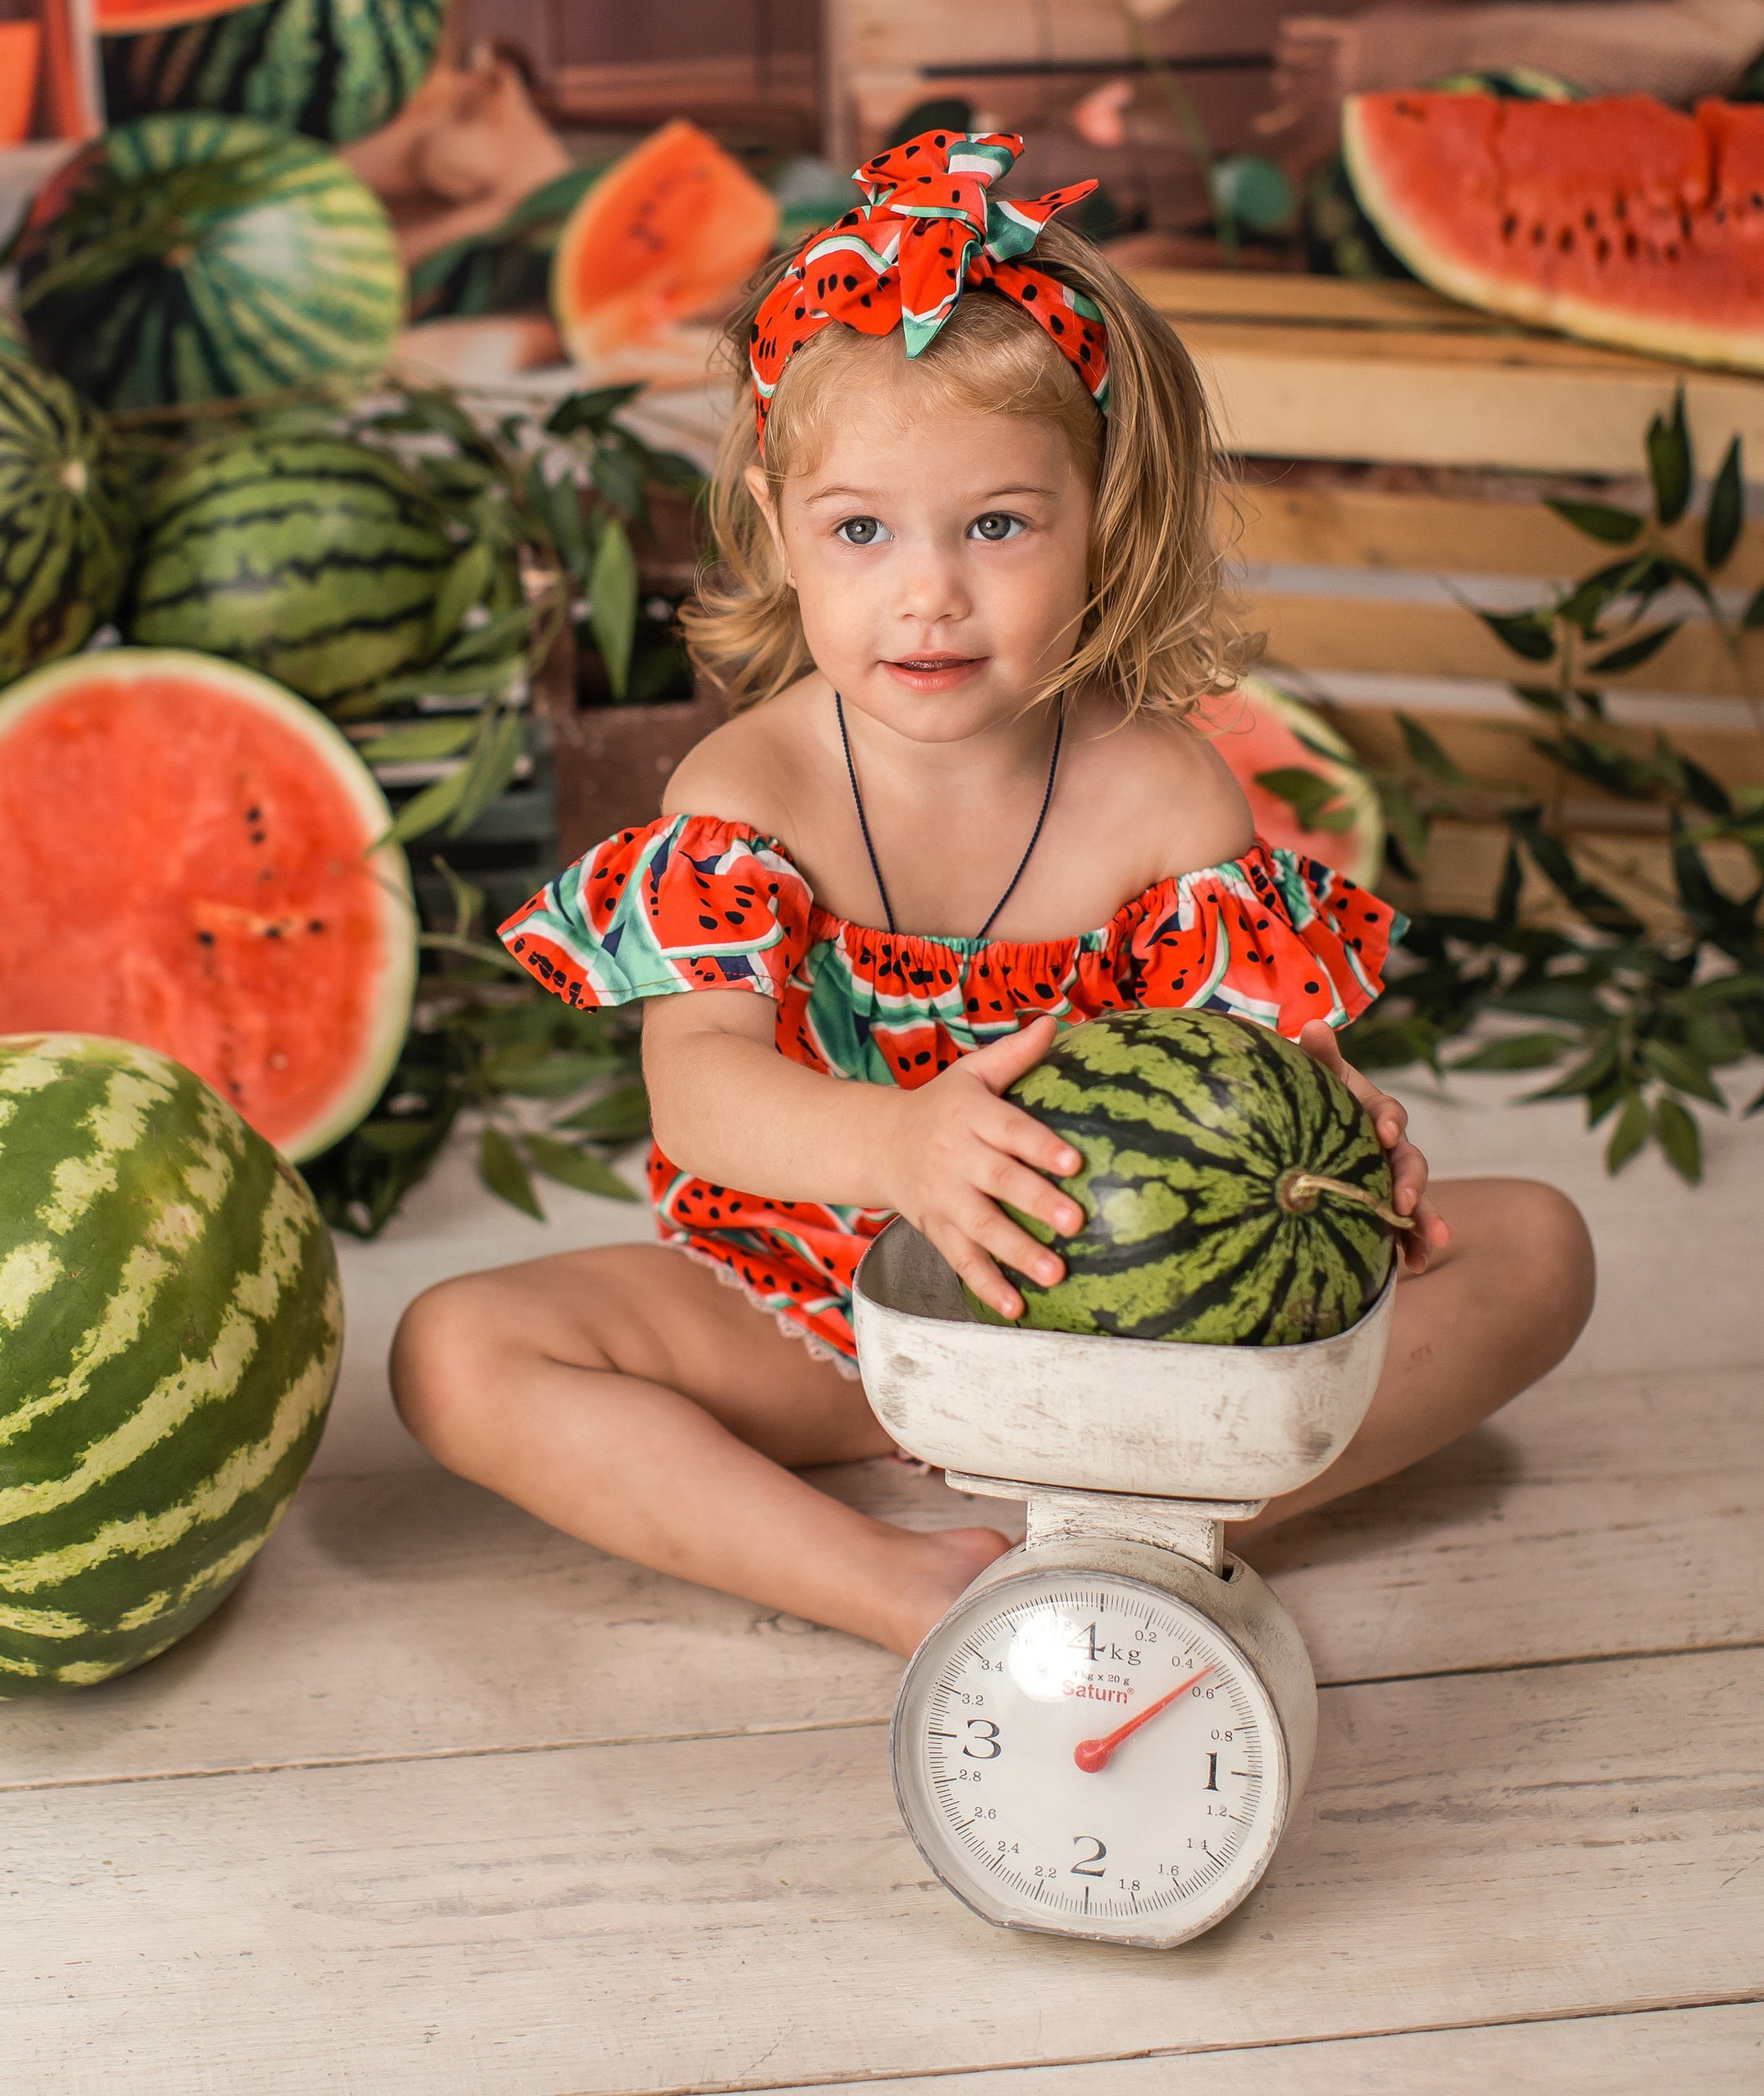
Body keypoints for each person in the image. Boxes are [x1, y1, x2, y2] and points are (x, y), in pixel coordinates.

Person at [390, 131, 1594, 1657]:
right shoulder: (746, 792)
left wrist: (1343, 1154)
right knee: (457, 1352)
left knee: (1536, 1245)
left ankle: (1138, 1514)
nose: (927, 591)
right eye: (859, 529)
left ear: (1104, 517)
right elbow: (700, 1091)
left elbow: (1249, 1078)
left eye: (998, 524)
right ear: (775, 521)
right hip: (814, 1316)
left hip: (1130, 1328)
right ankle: (893, 1578)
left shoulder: (1162, 794)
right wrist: (898, 1140)